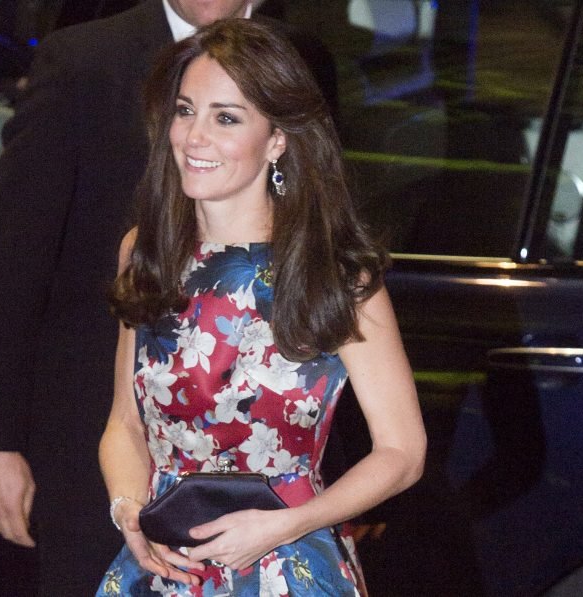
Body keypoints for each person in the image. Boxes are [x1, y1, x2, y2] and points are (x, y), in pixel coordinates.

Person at [0, 1, 338, 594]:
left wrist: (333, 498)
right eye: (185, 112)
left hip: (270, 486)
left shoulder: (302, 56)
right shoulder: (84, 59)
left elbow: (321, 244)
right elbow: (11, 255)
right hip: (98, 437)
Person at [97, 18, 426, 595]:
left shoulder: (335, 271)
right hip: (168, 567)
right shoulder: (146, 250)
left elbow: (403, 450)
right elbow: (126, 422)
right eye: (184, 110)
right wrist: (127, 509)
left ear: (278, 138)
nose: (194, 137)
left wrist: (286, 525)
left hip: (288, 563)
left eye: (226, 117)